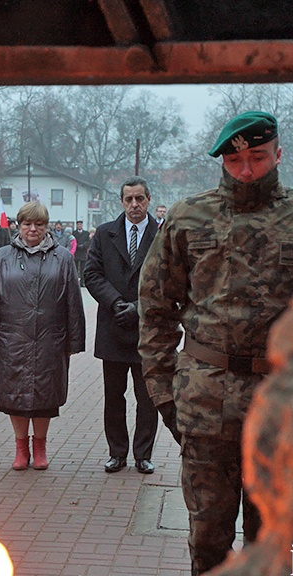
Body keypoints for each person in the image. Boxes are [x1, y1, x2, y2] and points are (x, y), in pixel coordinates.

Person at [138, 111, 293, 576]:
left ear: (278, 155)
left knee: (275, 541)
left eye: (257, 157)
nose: (245, 170)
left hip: (283, 404)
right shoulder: (188, 218)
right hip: (206, 402)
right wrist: (165, 393)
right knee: (208, 541)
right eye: (234, 159)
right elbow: (155, 307)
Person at [0, 202, 85, 471]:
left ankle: (40, 446)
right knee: (14, 396)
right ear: (18, 225)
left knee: (45, 397)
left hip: (51, 338)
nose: (33, 229)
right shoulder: (2, 257)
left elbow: (73, 300)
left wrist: (74, 340)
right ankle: (21, 447)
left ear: (47, 227)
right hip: (11, 339)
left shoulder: (63, 258)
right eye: (27, 224)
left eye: (39, 224)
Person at [85, 176, 178, 476]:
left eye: (140, 199)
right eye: (129, 200)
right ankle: (117, 453)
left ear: (149, 199)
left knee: (147, 397)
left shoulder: (163, 234)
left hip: (148, 330)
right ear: (121, 202)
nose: (134, 205)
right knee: (114, 396)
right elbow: (92, 274)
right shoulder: (104, 234)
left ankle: (143, 454)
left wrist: (140, 308)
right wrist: (115, 303)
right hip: (113, 325)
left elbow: (171, 277)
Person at [72, 220, 90, 285]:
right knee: (75, 268)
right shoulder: (74, 233)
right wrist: (77, 245)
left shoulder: (86, 233)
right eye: (78, 224)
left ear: (82, 225)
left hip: (83, 252)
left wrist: (83, 245)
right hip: (76, 252)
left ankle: (82, 282)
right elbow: (72, 241)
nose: (79, 226)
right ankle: (76, 282)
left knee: (83, 268)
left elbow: (88, 241)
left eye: (80, 224)